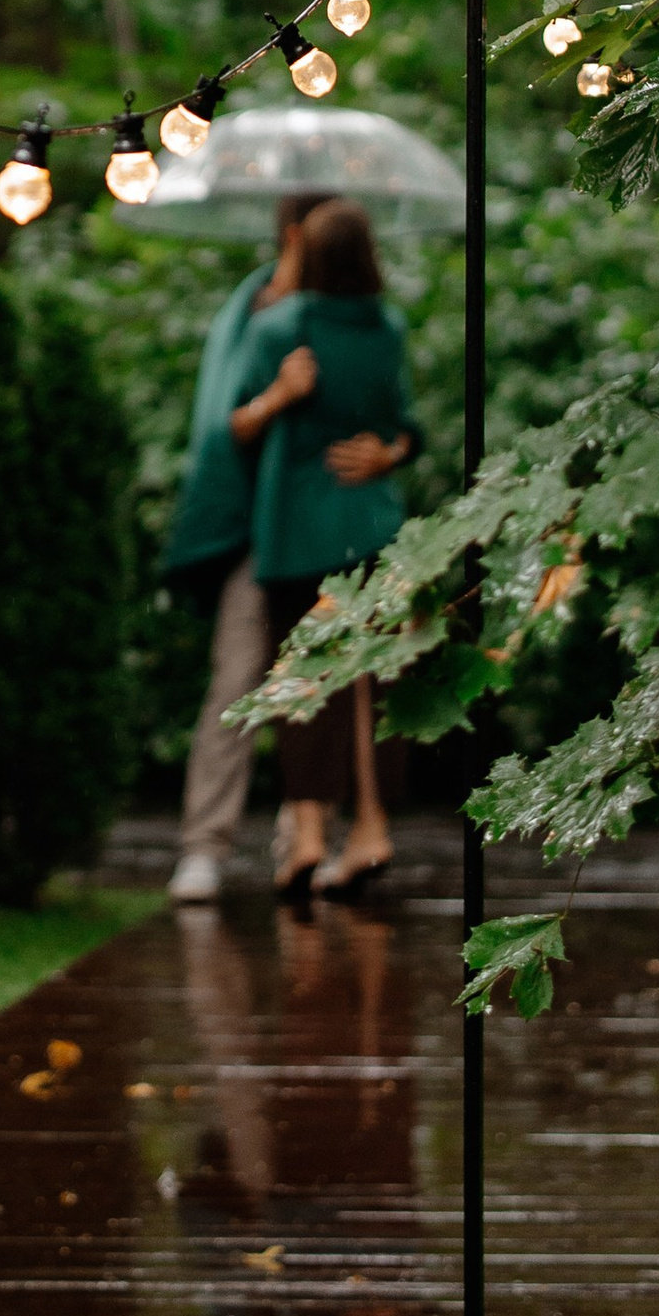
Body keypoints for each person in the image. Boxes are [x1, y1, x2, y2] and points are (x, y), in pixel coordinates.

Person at [229, 197, 420, 902]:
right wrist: (389, 455)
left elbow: (238, 427)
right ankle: (370, 829)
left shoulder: (278, 326)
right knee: (373, 686)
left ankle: (308, 835)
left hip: (298, 528)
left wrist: (280, 396)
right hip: (373, 523)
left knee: (306, 680)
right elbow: (407, 427)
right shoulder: (388, 328)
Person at [162, 191, 332, 902]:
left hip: (321, 527)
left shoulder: (340, 313)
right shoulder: (252, 310)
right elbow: (227, 421)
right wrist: (280, 397)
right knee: (236, 683)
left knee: (318, 687)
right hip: (253, 532)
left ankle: (307, 839)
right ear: (295, 234)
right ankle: (205, 846)